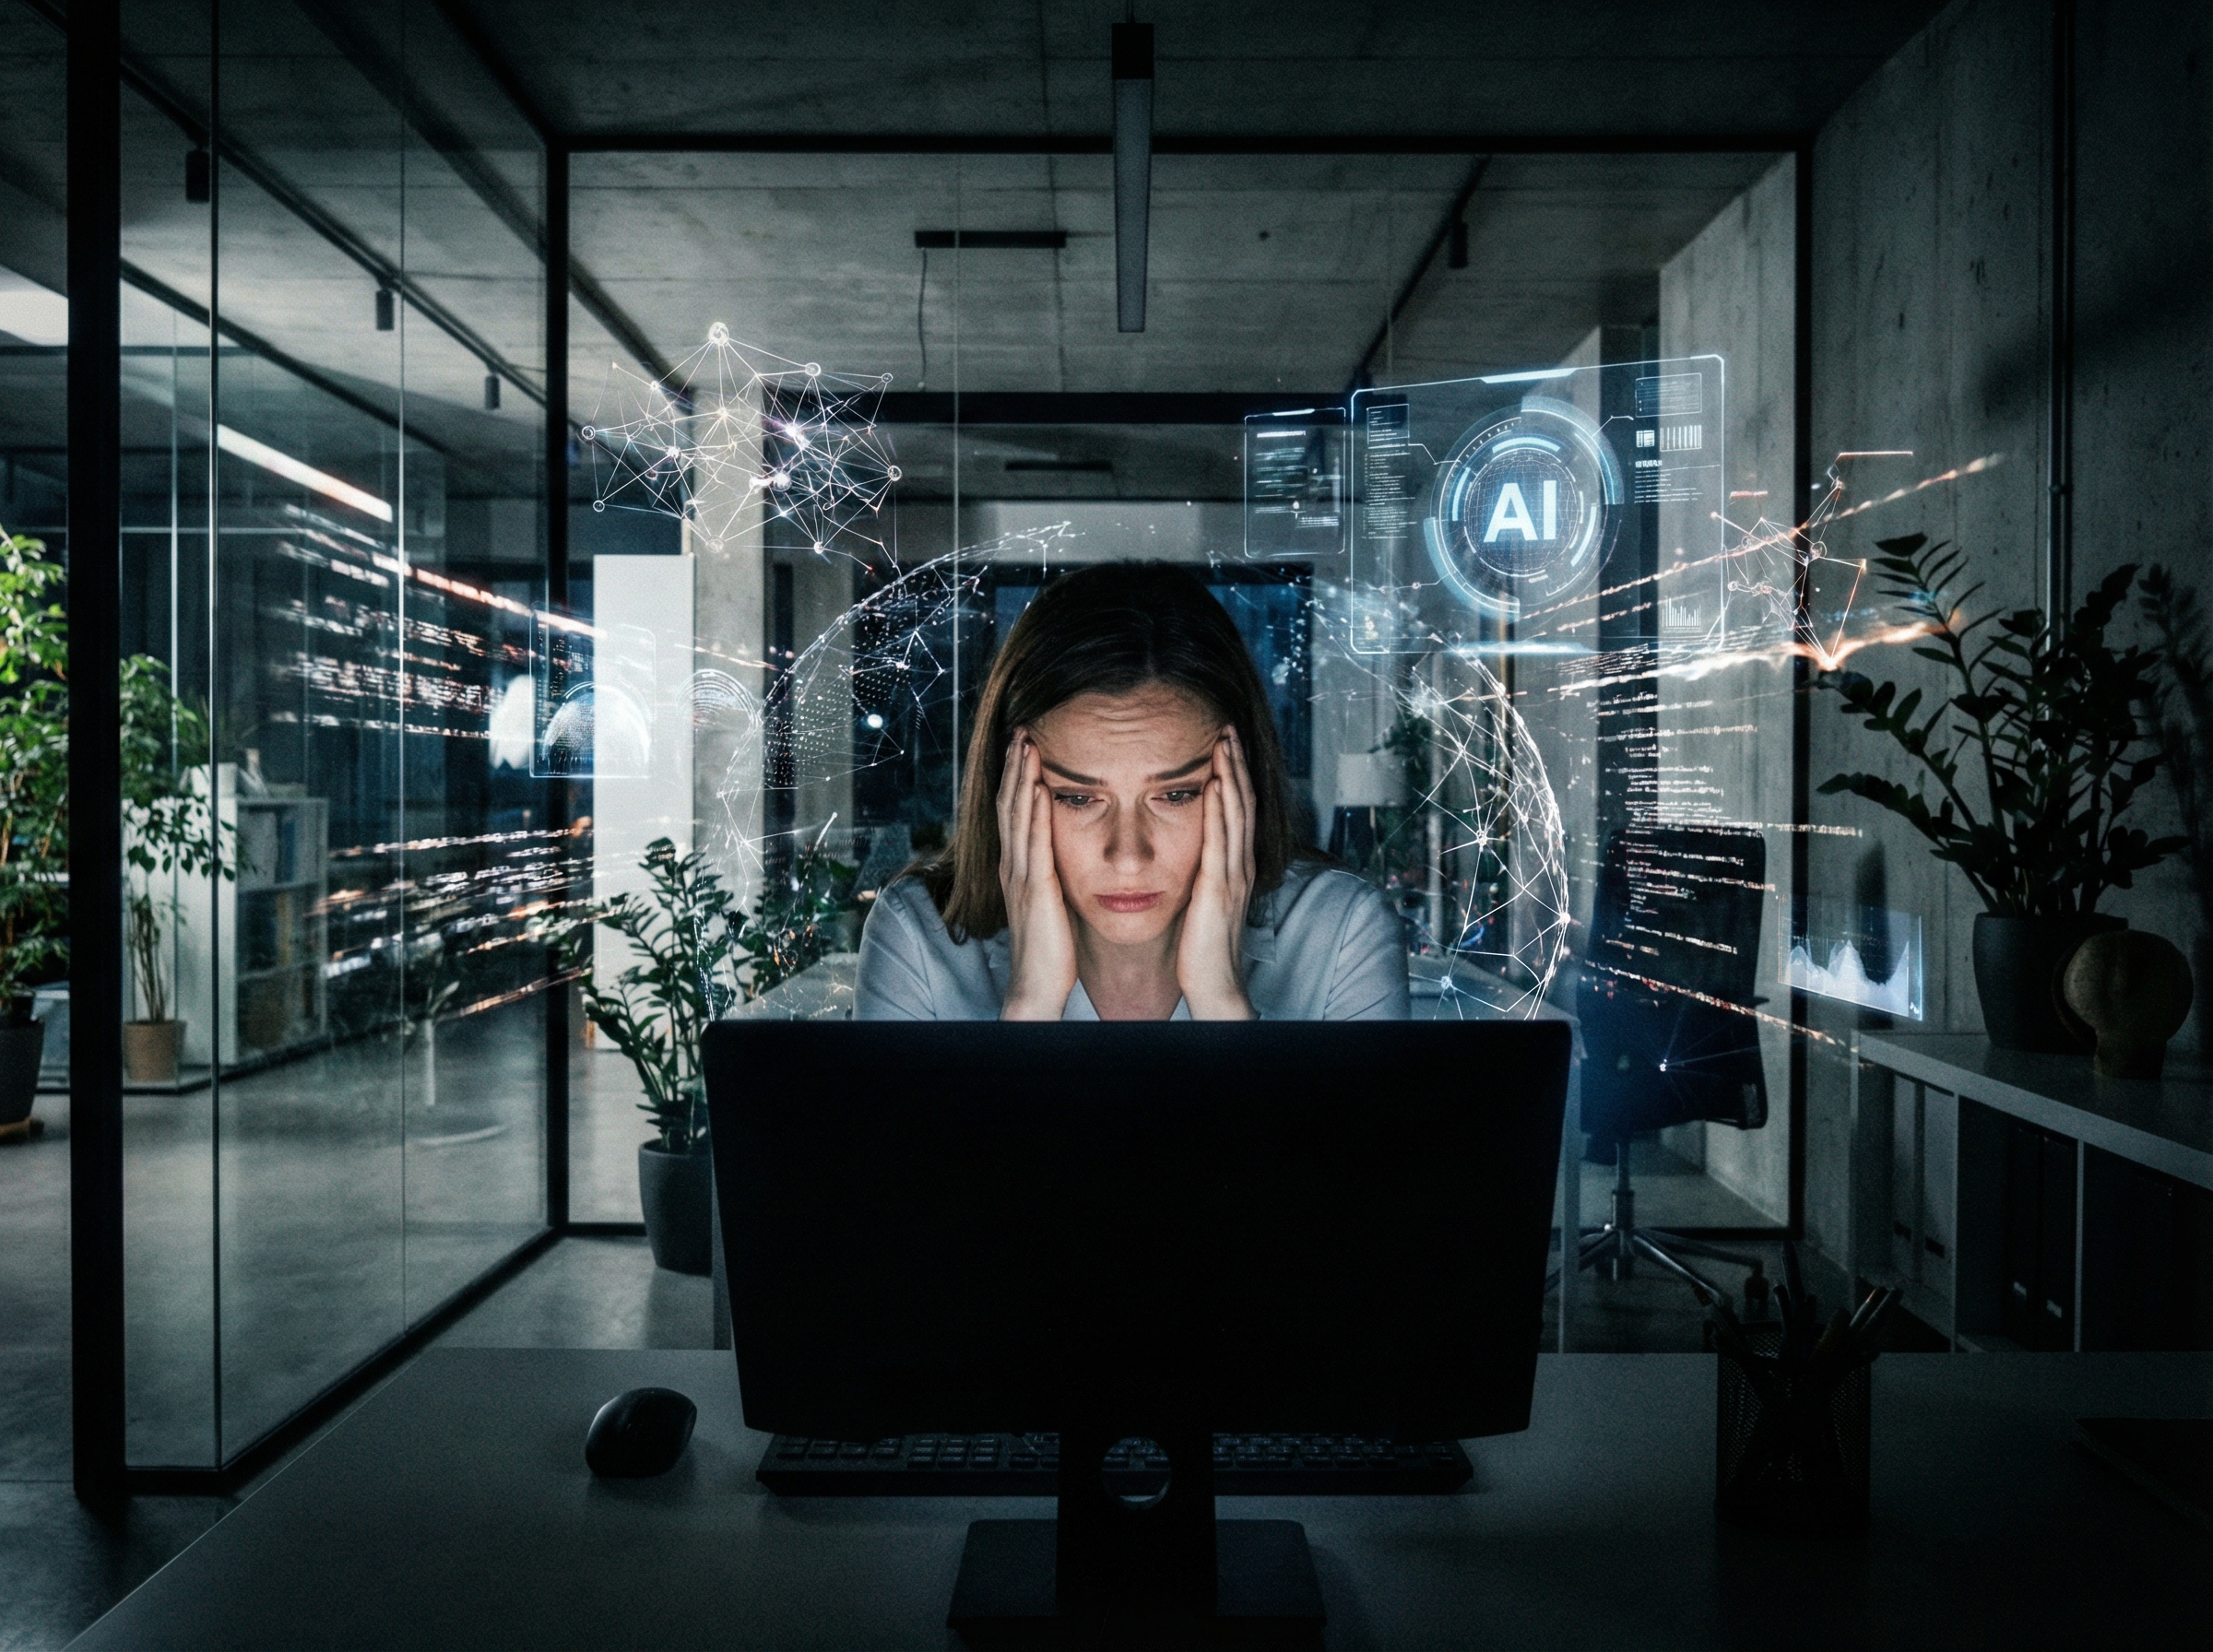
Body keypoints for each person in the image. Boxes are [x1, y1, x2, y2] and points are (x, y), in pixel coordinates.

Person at [857, 560, 1409, 1021]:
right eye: (1077, 798)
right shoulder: (919, 938)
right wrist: (1030, 1005)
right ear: (1008, 795)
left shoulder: (1341, 933)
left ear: (1244, 786)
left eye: (1176, 795)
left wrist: (1221, 1001)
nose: (1127, 856)